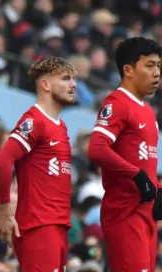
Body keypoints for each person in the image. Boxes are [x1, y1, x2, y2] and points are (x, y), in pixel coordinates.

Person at [0, 56, 76, 271]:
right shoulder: (34, 120)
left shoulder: (61, 126)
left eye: (73, 79)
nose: (73, 84)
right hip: (39, 225)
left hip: (58, 225)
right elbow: (2, 162)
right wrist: (4, 212)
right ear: (45, 84)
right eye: (66, 78)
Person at [87, 37, 161, 271]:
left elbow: (145, 160)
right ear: (128, 70)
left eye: (159, 66)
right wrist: (137, 175)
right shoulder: (117, 103)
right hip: (124, 213)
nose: (157, 73)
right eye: (149, 65)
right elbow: (97, 148)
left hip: (146, 214)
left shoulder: (149, 112)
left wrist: (157, 189)